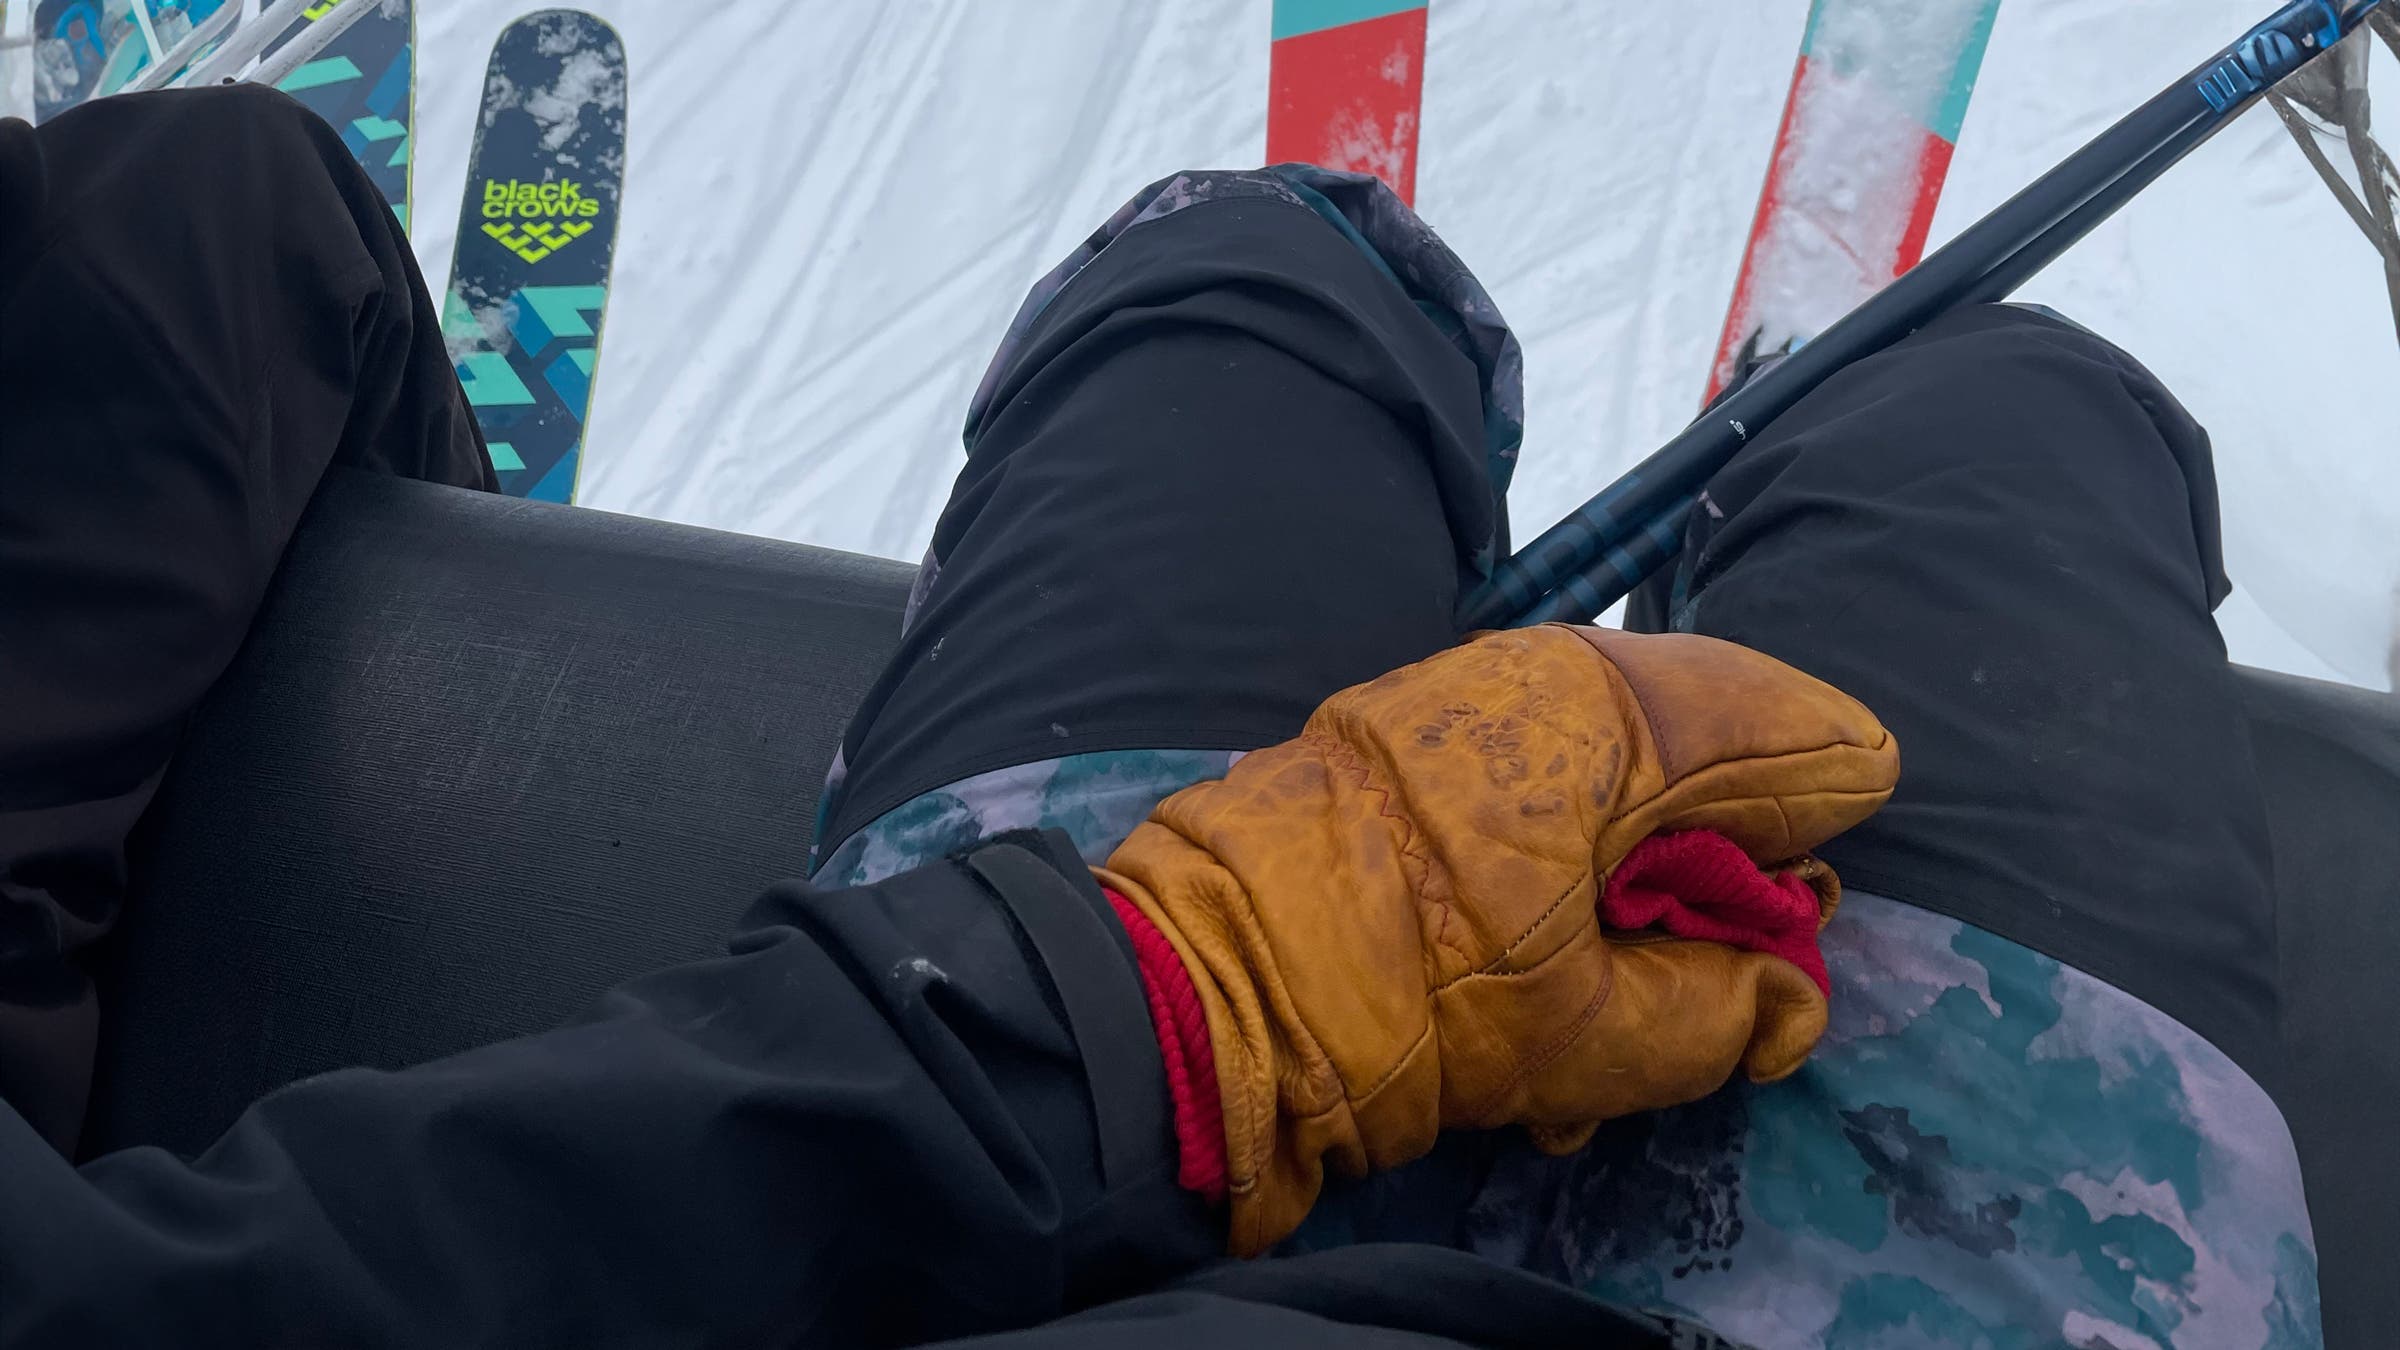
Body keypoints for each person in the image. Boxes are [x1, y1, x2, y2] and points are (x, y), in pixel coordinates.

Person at [0, 85, 2319, 1349]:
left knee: (1240, 287)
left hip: (979, 1178)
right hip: (1946, 1284)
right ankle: (1847, 402)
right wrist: (1171, 1019)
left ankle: (1327, 279)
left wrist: (1164, 1023)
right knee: (1996, 418)